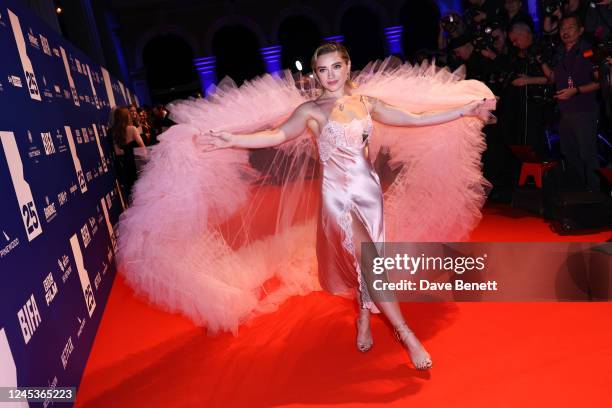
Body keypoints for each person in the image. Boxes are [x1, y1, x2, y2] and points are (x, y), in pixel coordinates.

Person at [116, 42, 495, 371]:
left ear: (347, 67)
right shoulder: (311, 111)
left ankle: (364, 314)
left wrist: (462, 112)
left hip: (368, 193)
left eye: (336, 67)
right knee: (370, 262)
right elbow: (276, 135)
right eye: (322, 69)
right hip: (338, 197)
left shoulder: (367, 103)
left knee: (371, 258)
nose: (329, 75)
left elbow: (415, 119)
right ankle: (407, 335)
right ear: (316, 73)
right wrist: (233, 139)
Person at [542, 15, 601, 190]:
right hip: (565, 111)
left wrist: (576, 91)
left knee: (587, 153)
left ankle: (596, 191)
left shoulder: (588, 51)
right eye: (562, 28)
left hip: (584, 109)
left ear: (580, 30)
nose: (565, 31)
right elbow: (553, 78)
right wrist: (542, 61)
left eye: (570, 27)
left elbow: (599, 82)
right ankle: (579, 189)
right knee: (569, 151)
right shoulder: (560, 52)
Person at [112, 107, 146, 200]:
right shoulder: (132, 129)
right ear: (126, 117)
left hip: (126, 166)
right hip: (137, 163)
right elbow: (142, 146)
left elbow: (118, 153)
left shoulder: (115, 133)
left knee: (133, 193)